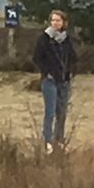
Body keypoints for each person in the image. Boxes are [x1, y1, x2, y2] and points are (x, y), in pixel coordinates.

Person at [32, 8, 77, 150]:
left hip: (64, 81)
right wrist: (47, 72)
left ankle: (60, 141)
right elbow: (37, 58)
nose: (55, 23)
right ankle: (48, 142)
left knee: (62, 112)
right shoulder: (44, 39)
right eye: (53, 20)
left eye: (58, 20)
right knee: (50, 112)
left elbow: (73, 58)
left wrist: (70, 72)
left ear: (64, 22)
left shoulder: (66, 40)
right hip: (50, 81)